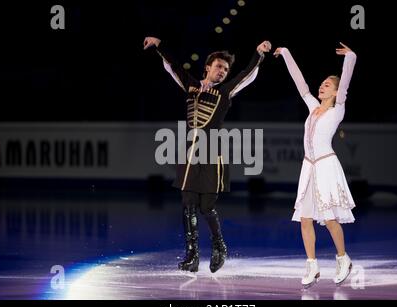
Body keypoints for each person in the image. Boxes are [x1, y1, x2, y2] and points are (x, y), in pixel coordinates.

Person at [144, 36, 272, 273]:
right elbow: (173, 67)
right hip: (191, 152)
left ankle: (219, 246)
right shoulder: (191, 85)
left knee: (206, 206)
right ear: (208, 67)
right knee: (188, 203)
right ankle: (192, 256)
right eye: (219, 67)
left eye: (225, 68)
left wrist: (258, 53)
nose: (222, 71)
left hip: (213, 153)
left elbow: (246, 74)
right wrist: (160, 44)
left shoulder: (225, 92)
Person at [274, 42, 357, 288]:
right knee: (305, 218)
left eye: (327, 85)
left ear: (335, 92)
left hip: (326, 166)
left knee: (330, 218)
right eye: (322, 83)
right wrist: (287, 53)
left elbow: (346, 83)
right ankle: (312, 264)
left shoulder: (337, 110)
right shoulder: (313, 107)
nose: (322, 86)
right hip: (308, 167)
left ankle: (343, 258)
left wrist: (350, 57)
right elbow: (301, 84)